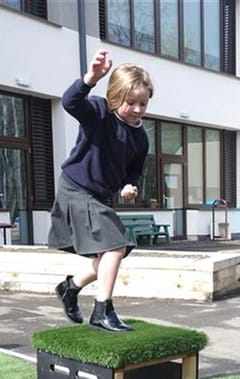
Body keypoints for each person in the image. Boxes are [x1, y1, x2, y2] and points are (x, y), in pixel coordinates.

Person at [47, 49, 153, 332]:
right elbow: (70, 102)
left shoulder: (141, 137)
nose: (138, 110)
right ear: (116, 96)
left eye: (143, 103)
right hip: (75, 188)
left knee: (111, 253)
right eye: (131, 103)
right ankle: (102, 311)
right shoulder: (98, 112)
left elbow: (134, 169)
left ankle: (71, 287)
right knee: (116, 245)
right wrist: (90, 78)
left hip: (99, 196)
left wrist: (131, 185)